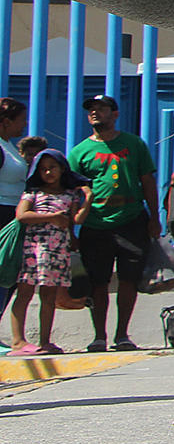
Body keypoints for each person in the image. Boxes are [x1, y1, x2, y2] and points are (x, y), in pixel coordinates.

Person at [70, 94, 159, 352]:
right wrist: (71, 229)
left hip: (132, 221)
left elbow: (148, 182)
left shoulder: (134, 144)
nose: (96, 113)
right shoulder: (79, 152)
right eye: (91, 110)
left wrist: (154, 218)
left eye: (102, 109)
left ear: (115, 114)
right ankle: (99, 336)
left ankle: (122, 335)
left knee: (128, 279)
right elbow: (73, 193)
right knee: (98, 281)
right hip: (95, 225)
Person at [9, 150, 90, 356]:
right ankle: (18, 341)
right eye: (43, 168)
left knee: (49, 296)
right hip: (33, 250)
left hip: (57, 251)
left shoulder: (70, 195)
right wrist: (51, 216)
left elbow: (76, 220)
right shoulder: (33, 192)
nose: (48, 172)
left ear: (62, 169)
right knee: (25, 293)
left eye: (52, 167)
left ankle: (45, 342)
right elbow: (21, 215)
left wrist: (88, 199)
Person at [0, 97, 28, 339]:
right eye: (21, 120)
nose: (25, 124)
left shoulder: (8, 144)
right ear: (6, 121)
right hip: (2, 214)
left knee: (9, 275)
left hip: (12, 214)